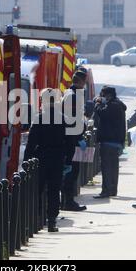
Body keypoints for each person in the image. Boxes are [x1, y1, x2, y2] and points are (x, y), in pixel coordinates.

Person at [24, 89, 71, 232]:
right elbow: (69, 142)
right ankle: (51, 222)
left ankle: (37, 220)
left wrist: (26, 160)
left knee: (37, 190)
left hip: (41, 157)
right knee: (54, 190)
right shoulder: (63, 118)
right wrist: (68, 160)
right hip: (57, 158)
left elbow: (31, 142)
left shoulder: (39, 118)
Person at [93, 86, 127, 198]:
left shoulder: (112, 106)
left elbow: (102, 114)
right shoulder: (119, 105)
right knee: (113, 167)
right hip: (116, 141)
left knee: (106, 167)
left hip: (108, 141)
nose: (102, 97)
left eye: (103, 95)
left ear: (108, 95)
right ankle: (112, 189)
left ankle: (106, 190)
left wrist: (98, 104)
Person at [61, 71, 88, 212]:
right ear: (82, 82)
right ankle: (68, 202)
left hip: (72, 139)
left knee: (71, 171)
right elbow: (71, 122)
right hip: (71, 141)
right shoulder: (72, 97)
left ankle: (66, 200)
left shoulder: (70, 94)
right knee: (72, 172)